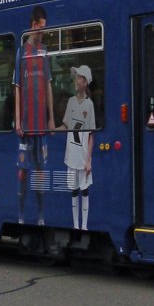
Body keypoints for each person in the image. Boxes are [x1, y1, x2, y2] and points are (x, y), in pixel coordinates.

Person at [13, 5, 54, 225]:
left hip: (41, 125)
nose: (42, 32)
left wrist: (51, 117)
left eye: (44, 28)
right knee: (23, 171)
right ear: (33, 25)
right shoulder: (22, 52)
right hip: (26, 125)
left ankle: (40, 217)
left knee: (40, 171)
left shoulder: (44, 51)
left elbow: (48, 85)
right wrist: (18, 119)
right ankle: (20, 216)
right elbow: (17, 87)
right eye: (40, 28)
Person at [60, 65, 95, 230]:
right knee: (73, 191)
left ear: (85, 82)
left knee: (85, 190)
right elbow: (65, 125)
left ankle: (85, 226)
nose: (75, 80)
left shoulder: (89, 105)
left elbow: (91, 135)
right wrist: (49, 130)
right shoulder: (71, 102)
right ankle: (75, 226)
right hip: (71, 155)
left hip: (83, 156)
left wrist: (88, 160)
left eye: (78, 77)